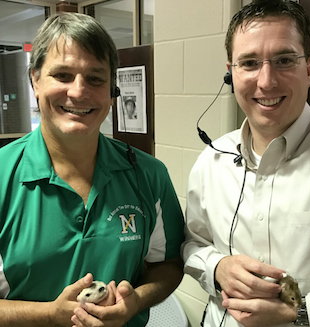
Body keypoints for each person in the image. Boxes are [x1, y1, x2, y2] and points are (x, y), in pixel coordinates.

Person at [182, 0, 310, 326]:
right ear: (230, 74)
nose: (266, 81)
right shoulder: (212, 160)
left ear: (308, 69)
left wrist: (302, 312)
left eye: (284, 60)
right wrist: (217, 267)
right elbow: (193, 244)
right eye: (249, 63)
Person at [0, 12, 184, 327]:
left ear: (112, 90)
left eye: (96, 78)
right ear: (35, 81)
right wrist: (48, 316)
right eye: (62, 75)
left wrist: (135, 300)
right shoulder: (4, 174)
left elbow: (167, 265)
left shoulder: (149, 175)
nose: (79, 91)